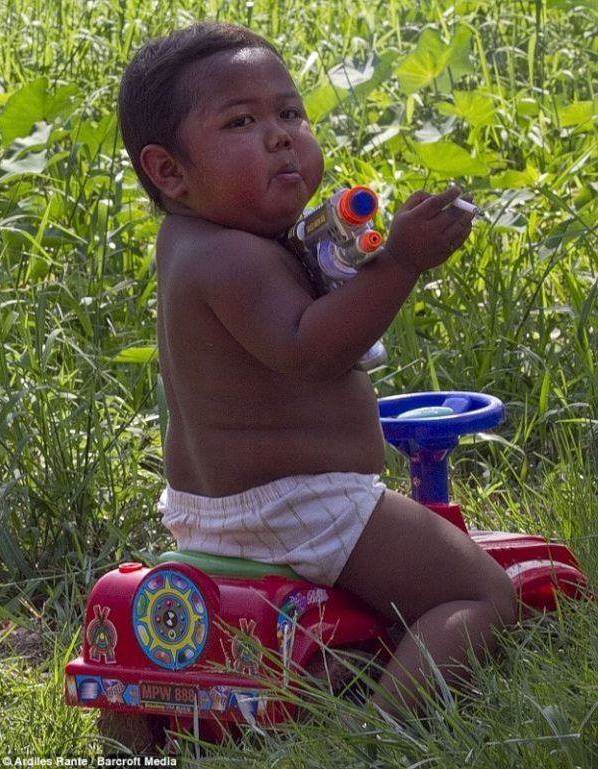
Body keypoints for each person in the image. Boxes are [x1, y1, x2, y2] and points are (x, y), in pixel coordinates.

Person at [118, 22, 516, 717]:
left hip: (213, 514)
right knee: (481, 594)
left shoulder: (197, 240)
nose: (279, 135)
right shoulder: (232, 257)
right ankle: (381, 734)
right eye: (241, 121)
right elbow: (312, 352)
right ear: (169, 171)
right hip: (303, 507)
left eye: (290, 113)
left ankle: (321, 674)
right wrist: (400, 263)